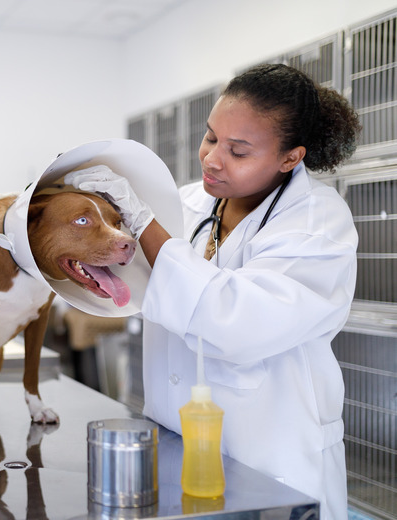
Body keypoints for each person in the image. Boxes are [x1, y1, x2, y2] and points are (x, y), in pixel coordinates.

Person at [67, 64, 360, 520]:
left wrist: (144, 225)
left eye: (238, 151)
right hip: (174, 442)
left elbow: (237, 322)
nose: (212, 159)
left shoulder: (317, 223)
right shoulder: (186, 203)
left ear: (290, 157)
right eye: (210, 138)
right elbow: (137, 283)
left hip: (271, 456)